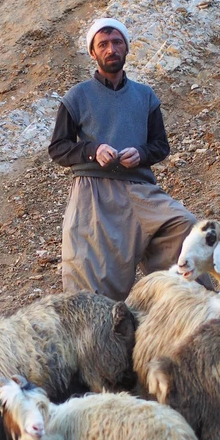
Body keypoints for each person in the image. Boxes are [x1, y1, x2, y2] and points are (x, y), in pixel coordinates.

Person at [48, 17, 197, 301]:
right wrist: (93, 150)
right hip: (94, 194)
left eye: (117, 43)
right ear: (93, 53)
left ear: (127, 48)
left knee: (184, 226)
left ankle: (179, 306)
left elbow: (160, 146)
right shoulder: (77, 96)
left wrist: (140, 153)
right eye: (103, 44)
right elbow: (58, 148)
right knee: (91, 278)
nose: (111, 49)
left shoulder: (145, 95)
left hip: (140, 191)